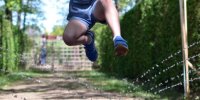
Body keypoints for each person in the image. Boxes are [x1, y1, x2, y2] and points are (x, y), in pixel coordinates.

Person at [63, 0, 128, 62]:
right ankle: (89, 40)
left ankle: (117, 37)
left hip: (96, 5)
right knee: (68, 38)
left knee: (107, 1)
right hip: (78, 12)